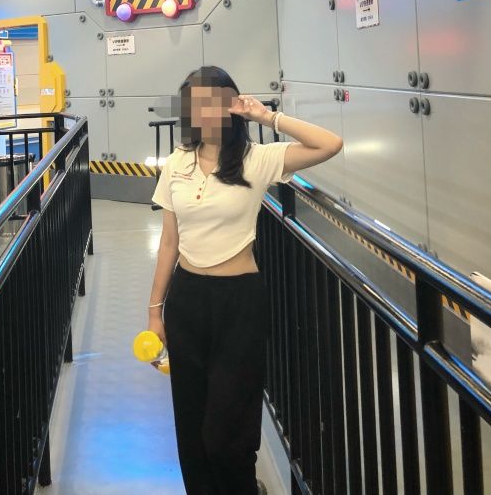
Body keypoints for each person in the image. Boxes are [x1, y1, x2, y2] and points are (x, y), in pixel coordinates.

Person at [146, 66, 343, 495]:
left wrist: (267, 116)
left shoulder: (257, 159)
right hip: (187, 301)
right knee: (191, 430)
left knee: (226, 435)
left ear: (230, 107)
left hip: (239, 303)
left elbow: (329, 144)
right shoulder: (177, 163)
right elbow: (169, 242)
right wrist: (155, 310)